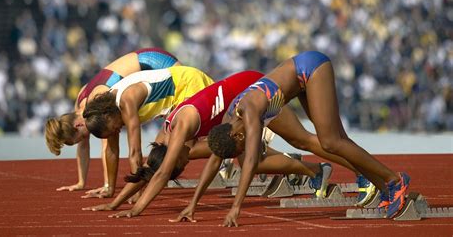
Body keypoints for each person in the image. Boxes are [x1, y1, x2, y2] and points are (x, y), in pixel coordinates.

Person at [82, 70, 333, 217]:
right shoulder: (167, 137)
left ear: (175, 155)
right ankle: (315, 171)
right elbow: (152, 171)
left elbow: (162, 173)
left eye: (180, 163)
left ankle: (344, 165)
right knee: (248, 160)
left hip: (253, 89)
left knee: (303, 140)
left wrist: (136, 210)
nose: (186, 161)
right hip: (236, 106)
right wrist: (115, 202)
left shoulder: (180, 128)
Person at [204, 51, 410, 226]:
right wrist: (193, 205)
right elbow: (216, 157)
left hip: (311, 69)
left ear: (237, 135)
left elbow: (250, 162)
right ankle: (384, 188)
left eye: (240, 147)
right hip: (301, 82)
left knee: (330, 142)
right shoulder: (228, 123)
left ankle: (395, 181)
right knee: (338, 142)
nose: (244, 148)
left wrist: (236, 208)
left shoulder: (248, 112)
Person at [45, 48, 182, 198]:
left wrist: (109, 186)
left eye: (82, 137)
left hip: (155, 61)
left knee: (183, 122)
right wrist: (81, 182)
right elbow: (83, 147)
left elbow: (110, 148)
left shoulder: (97, 103)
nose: (86, 138)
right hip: (146, 60)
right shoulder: (80, 104)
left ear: (78, 125)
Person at [81, 65, 214, 197]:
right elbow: (112, 151)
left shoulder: (126, 102)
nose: (117, 131)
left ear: (107, 116)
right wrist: (109, 188)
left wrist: (137, 192)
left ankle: (229, 145)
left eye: (113, 129)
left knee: (184, 149)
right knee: (161, 152)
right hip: (175, 97)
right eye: (112, 133)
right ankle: (224, 147)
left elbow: (135, 153)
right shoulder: (110, 111)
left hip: (186, 83)